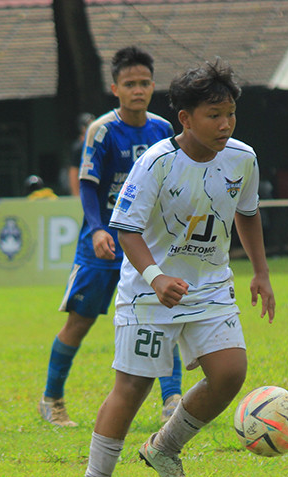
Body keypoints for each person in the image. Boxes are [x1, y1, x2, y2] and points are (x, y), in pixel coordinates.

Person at [75, 59, 275, 477]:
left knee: (229, 373)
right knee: (133, 387)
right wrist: (155, 276)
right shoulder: (157, 163)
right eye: (213, 115)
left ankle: (164, 449)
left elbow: (247, 212)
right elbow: (126, 227)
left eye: (230, 114)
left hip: (209, 286)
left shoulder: (243, 158)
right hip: (150, 291)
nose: (225, 124)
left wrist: (260, 272)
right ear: (185, 119)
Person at [40, 46, 181, 428]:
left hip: (145, 242)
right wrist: (98, 228)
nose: (138, 90)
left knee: (162, 314)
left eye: (144, 83)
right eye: (130, 84)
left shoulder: (162, 130)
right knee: (80, 322)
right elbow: (88, 186)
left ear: (153, 86)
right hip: (101, 244)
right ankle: (52, 399)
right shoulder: (101, 130)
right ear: (115, 88)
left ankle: (173, 401)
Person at [68, 112, 94, 196]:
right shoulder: (79, 147)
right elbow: (74, 172)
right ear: (82, 128)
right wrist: (76, 195)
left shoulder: (98, 144)